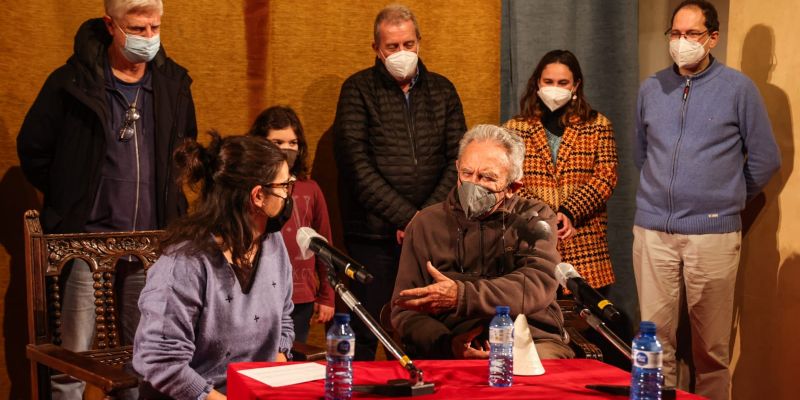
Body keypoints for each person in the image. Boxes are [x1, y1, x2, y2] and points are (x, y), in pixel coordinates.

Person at [16, 0, 196, 397]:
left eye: (154, 27)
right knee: (73, 361)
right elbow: (33, 149)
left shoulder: (173, 83)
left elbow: (186, 150)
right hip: (85, 242)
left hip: (149, 245)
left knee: (141, 356)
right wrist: (68, 199)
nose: (149, 38)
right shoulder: (73, 82)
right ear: (110, 25)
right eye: (138, 28)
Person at [633, 1, 780, 398]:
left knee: (711, 351)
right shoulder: (651, 87)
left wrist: (725, 199)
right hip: (652, 231)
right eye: (676, 34)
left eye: (692, 34)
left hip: (712, 235)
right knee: (653, 342)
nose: (682, 42)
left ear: (712, 38)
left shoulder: (738, 89)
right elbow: (641, 153)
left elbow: (766, 159)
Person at [333, 4, 466, 360]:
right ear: (377, 48)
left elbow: (459, 162)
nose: (401, 53)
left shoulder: (443, 91)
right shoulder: (357, 90)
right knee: (365, 330)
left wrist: (422, 221)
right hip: (373, 238)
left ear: (419, 42)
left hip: (433, 237)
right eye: (392, 46)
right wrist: (405, 217)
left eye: (408, 43)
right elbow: (355, 167)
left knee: (427, 331)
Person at [133, 133, 295, 399]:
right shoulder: (185, 262)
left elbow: (284, 316)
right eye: (285, 186)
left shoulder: (273, 245)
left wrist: (276, 362)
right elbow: (161, 360)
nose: (289, 194)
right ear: (258, 196)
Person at [391, 124, 574, 360]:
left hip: (530, 339)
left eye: (487, 177)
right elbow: (405, 309)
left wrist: (461, 296)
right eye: (466, 173)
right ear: (457, 168)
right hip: (454, 343)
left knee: (533, 377)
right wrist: (448, 344)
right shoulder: (425, 223)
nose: (473, 184)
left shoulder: (536, 218)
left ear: (512, 187)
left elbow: (537, 284)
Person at [504, 49, 618, 292]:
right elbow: (509, 181)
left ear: (575, 85)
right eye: (549, 82)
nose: (555, 88)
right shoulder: (514, 129)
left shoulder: (598, 126)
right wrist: (545, 214)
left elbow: (606, 177)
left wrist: (570, 211)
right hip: (533, 241)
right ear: (537, 83)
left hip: (584, 243)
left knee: (584, 324)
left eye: (563, 82)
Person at [249, 105, 335, 343]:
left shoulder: (311, 189)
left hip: (301, 295)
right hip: (258, 294)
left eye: (292, 143)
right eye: (277, 143)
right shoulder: (251, 190)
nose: (286, 149)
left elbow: (324, 244)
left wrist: (327, 296)